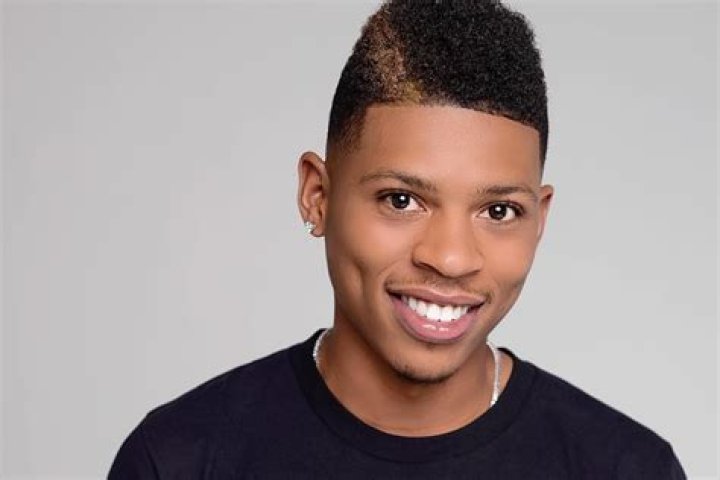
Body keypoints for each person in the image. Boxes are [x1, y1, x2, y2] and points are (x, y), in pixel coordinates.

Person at [109, 1, 686, 478]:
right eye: (401, 200)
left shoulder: (626, 467)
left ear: (539, 221)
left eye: (499, 210)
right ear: (317, 195)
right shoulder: (181, 459)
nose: (451, 258)